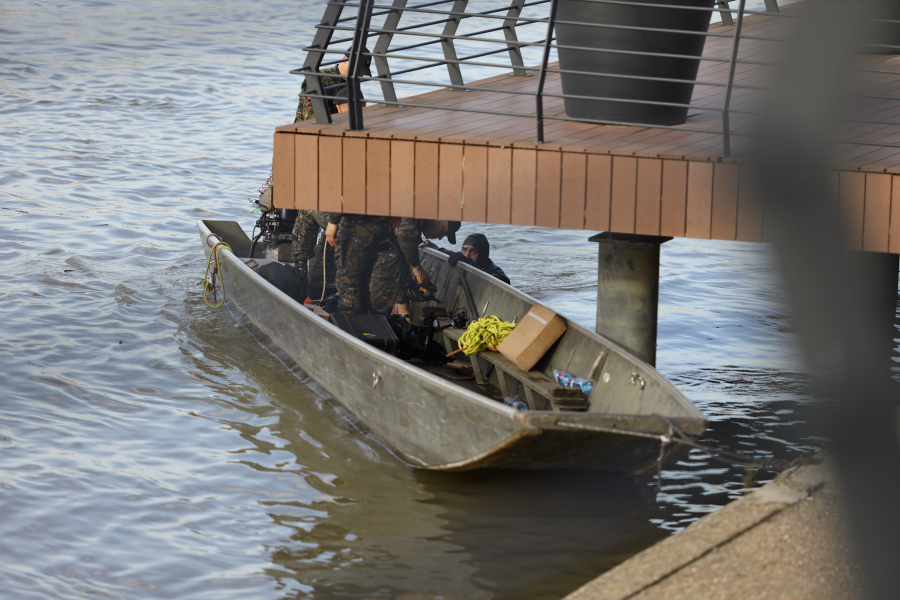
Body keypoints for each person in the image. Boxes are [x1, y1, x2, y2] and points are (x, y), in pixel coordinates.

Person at [335, 216, 460, 314]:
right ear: (439, 216)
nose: (439, 237)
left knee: (364, 300)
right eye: (443, 231)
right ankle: (356, 331)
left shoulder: (413, 229)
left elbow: (402, 270)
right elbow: (404, 233)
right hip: (358, 245)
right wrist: (417, 267)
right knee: (357, 295)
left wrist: (404, 309)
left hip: (367, 249)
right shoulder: (415, 215)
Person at [294, 47, 371, 123]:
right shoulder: (319, 79)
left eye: (361, 73)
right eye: (356, 70)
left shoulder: (353, 80)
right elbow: (311, 118)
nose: (358, 75)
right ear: (344, 59)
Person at [428, 232, 510, 285]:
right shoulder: (463, 258)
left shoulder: (498, 274)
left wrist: (470, 263)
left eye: (473, 251)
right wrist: (433, 248)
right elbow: (452, 255)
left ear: (482, 255)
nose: (466, 255)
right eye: (464, 250)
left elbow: (500, 284)